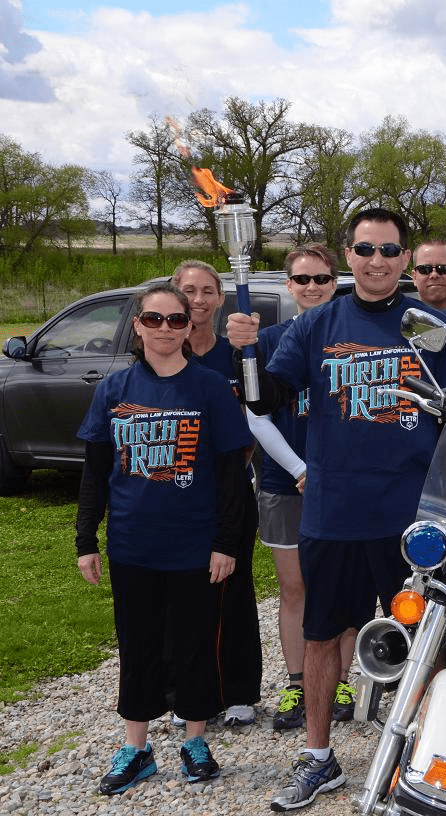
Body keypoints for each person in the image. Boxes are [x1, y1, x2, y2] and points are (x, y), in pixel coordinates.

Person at [227, 208, 446, 811]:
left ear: (405, 259)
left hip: (409, 517)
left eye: (390, 251)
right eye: (366, 250)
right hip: (333, 512)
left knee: (424, 637)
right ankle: (318, 757)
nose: (377, 262)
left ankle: (423, 752)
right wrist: (247, 353)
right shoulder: (315, 327)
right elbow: (269, 396)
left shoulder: (429, 327)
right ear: (349, 255)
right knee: (321, 636)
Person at [75, 282, 252, 794]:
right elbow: (95, 474)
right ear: (138, 326)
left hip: (195, 546)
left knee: (196, 645)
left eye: (177, 320)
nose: (166, 330)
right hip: (133, 545)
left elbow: (229, 474)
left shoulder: (210, 389)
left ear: (189, 326)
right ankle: (136, 747)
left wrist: (226, 541)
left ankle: (195, 740)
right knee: (139, 645)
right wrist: (86, 539)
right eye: (154, 320)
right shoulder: (114, 390)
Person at [243, 245, 357, 730]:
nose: (312, 287)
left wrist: (330, 470)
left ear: (336, 282)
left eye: (322, 279)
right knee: (295, 590)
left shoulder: (353, 335)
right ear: (288, 284)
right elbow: (256, 412)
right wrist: (298, 469)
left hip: (344, 483)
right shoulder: (268, 340)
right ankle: (296, 683)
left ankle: (343, 681)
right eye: (303, 279)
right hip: (285, 480)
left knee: (344, 589)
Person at [172, 260, 262, 727]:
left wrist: (231, 472)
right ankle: (188, 693)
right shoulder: (164, 354)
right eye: (189, 291)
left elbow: (253, 419)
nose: (199, 300)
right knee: (183, 596)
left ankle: (240, 690)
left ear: (221, 299)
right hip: (178, 498)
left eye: (208, 291)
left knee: (233, 591)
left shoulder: (235, 356)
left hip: (229, 494)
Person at [411, 239, 446, 311]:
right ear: (414, 277)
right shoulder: (397, 320)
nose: (434, 275)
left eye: (443, 268)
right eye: (425, 269)